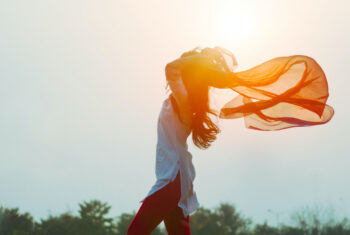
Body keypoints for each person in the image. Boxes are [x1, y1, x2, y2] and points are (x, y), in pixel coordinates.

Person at [127, 46, 334, 235]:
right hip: (176, 178)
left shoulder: (184, 100)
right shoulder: (185, 100)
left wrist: (198, 59)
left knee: (135, 232)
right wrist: (199, 61)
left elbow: (171, 68)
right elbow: (175, 70)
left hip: (172, 178)